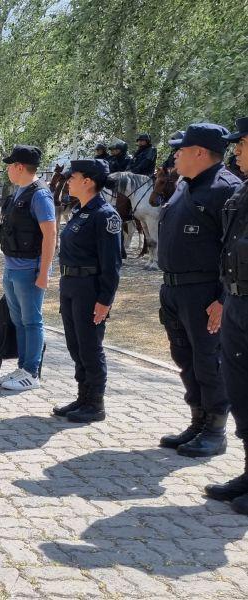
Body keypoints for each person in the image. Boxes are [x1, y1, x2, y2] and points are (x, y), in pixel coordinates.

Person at [156, 123, 240, 457]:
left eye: (181, 149)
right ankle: (198, 420)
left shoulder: (226, 190)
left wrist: (222, 299)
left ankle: (215, 430)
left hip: (205, 292)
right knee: (185, 357)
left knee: (209, 361)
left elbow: (233, 250)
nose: (175, 155)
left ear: (200, 153)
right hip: (174, 289)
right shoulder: (183, 186)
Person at [51, 159, 123, 422]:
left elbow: (112, 264)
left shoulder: (105, 215)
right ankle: (83, 397)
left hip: (89, 289)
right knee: (75, 345)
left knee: (90, 347)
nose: (68, 180)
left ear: (88, 181)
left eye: (74, 176)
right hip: (71, 286)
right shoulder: (81, 212)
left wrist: (105, 300)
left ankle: (95, 404)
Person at [206, 116, 248, 512]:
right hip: (238, 299)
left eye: (243, 143)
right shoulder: (244, 191)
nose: (237, 150)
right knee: (239, 385)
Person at [0, 145, 58, 391]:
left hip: (29, 269)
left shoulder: (39, 194)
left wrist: (44, 272)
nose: (8, 169)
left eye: (11, 165)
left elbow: (50, 234)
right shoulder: (19, 193)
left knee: (32, 321)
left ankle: (31, 372)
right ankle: (23, 367)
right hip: (12, 267)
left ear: (20, 167)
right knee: (18, 320)